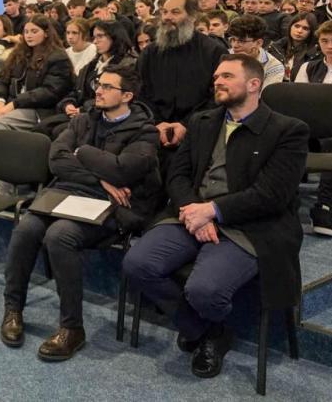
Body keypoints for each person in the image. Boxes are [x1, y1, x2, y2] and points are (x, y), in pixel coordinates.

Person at [123, 54, 308, 380]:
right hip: (193, 213)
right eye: (216, 77)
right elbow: (177, 175)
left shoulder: (287, 130)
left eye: (227, 76)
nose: (217, 81)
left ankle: (204, 327)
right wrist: (195, 210)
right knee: (136, 264)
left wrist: (212, 211)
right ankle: (208, 331)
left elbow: (272, 195)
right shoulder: (203, 121)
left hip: (250, 224)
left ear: (254, 84)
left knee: (205, 290)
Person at [0, 65, 161, 358]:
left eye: (108, 87)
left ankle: (72, 328)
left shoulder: (145, 131)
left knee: (60, 235)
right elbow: (56, 159)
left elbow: (123, 171)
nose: (98, 90)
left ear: (127, 95)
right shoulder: (85, 120)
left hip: (114, 206)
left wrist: (83, 154)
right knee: (26, 228)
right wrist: (100, 178)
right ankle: (13, 309)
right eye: (99, 83)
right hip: (72, 192)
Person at [0, 15, 73, 187]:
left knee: (3, 123)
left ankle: (5, 185)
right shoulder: (19, 53)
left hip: (39, 109)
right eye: (26, 31)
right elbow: (1, 80)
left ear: (46, 33)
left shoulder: (58, 57)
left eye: (34, 31)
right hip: (10, 103)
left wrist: (14, 104)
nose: (29, 35)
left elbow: (50, 92)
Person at [138, 0, 229, 155]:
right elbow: (141, 91)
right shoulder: (150, 52)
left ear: (192, 17)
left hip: (199, 132)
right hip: (154, 131)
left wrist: (187, 124)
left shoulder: (213, 51)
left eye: (175, 12)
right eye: (164, 12)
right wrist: (157, 123)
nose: (167, 17)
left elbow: (217, 95)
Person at [294, 19, 332, 237]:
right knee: (288, 137)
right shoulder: (308, 67)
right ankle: (287, 199)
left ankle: (324, 205)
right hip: (310, 126)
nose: (330, 46)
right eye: (325, 41)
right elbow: (298, 101)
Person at [225, 16, 284, 89]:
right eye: (233, 39)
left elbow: (266, 95)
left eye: (241, 41)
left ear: (258, 43)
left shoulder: (273, 67)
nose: (235, 45)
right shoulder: (224, 56)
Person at [268, 13, 320, 81]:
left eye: (305, 28)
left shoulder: (315, 53)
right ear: (290, 27)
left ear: (311, 32)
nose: (299, 31)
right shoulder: (275, 47)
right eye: (296, 26)